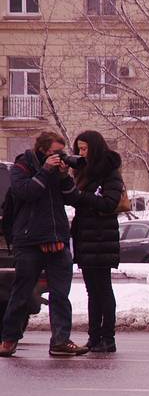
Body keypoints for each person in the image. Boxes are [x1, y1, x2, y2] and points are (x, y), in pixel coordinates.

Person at [0, 131, 87, 357]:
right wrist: (46, 170)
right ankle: (9, 339)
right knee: (21, 292)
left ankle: (60, 340)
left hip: (56, 239)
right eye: (55, 153)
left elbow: (73, 198)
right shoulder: (21, 167)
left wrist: (64, 175)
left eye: (61, 152)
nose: (59, 156)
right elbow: (26, 193)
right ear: (42, 151)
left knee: (60, 295)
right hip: (29, 242)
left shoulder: (57, 172)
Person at [70, 130, 124, 353]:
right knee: (92, 290)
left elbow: (109, 203)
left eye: (85, 149)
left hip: (101, 237)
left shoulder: (109, 171)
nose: (81, 154)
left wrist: (80, 196)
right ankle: (94, 337)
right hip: (86, 236)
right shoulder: (83, 171)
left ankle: (108, 337)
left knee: (103, 288)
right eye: (79, 149)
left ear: (95, 148)